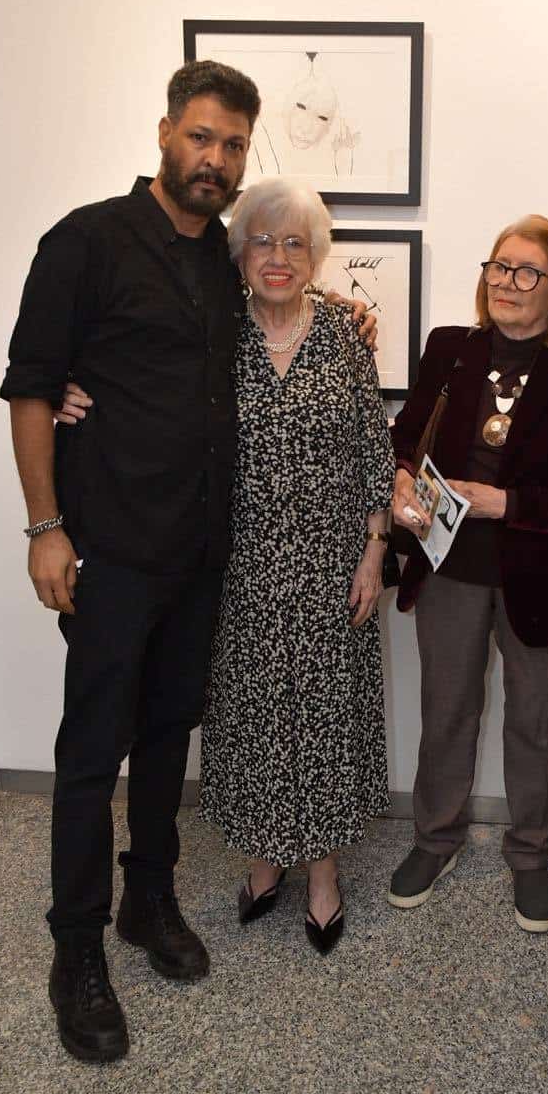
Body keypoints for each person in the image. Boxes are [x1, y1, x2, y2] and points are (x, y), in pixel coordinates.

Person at [0, 61, 372, 1064]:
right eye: (201, 137)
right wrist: (45, 524)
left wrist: (350, 318)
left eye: (234, 146)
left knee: (169, 740)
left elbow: (286, 313)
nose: (215, 159)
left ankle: (148, 901)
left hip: (206, 559)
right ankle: (76, 946)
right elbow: (31, 386)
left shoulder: (227, 261)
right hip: (111, 552)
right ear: (165, 131)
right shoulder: (84, 242)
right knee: (91, 756)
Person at [387, 216, 548, 933]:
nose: (505, 283)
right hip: (448, 564)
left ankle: (532, 856)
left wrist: (507, 503)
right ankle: (434, 840)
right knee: (446, 710)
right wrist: (401, 486)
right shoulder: (450, 350)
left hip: (542, 573)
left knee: (537, 722)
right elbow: (405, 439)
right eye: (498, 267)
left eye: (525, 271)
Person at [199, 177, 395, 955]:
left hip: (326, 564)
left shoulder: (345, 338)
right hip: (237, 565)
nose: (277, 258)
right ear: (238, 252)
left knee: (323, 720)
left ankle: (321, 874)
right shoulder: (217, 336)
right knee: (249, 718)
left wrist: (373, 552)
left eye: (294, 244)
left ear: (314, 257)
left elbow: (371, 454)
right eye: (261, 241)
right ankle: (261, 859)